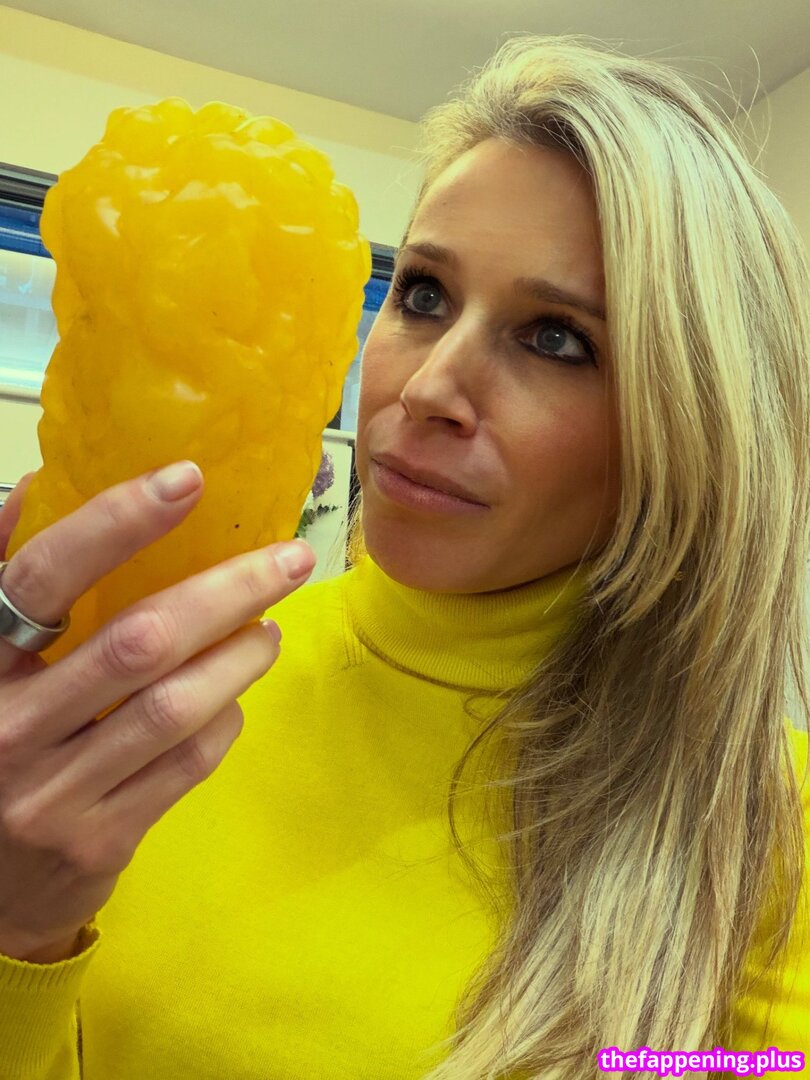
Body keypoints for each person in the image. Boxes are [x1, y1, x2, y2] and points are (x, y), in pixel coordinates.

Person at [1, 30, 808, 1080]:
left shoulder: (770, 833)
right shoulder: (149, 678)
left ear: (693, 430)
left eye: (556, 339)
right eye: (424, 294)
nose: (425, 389)